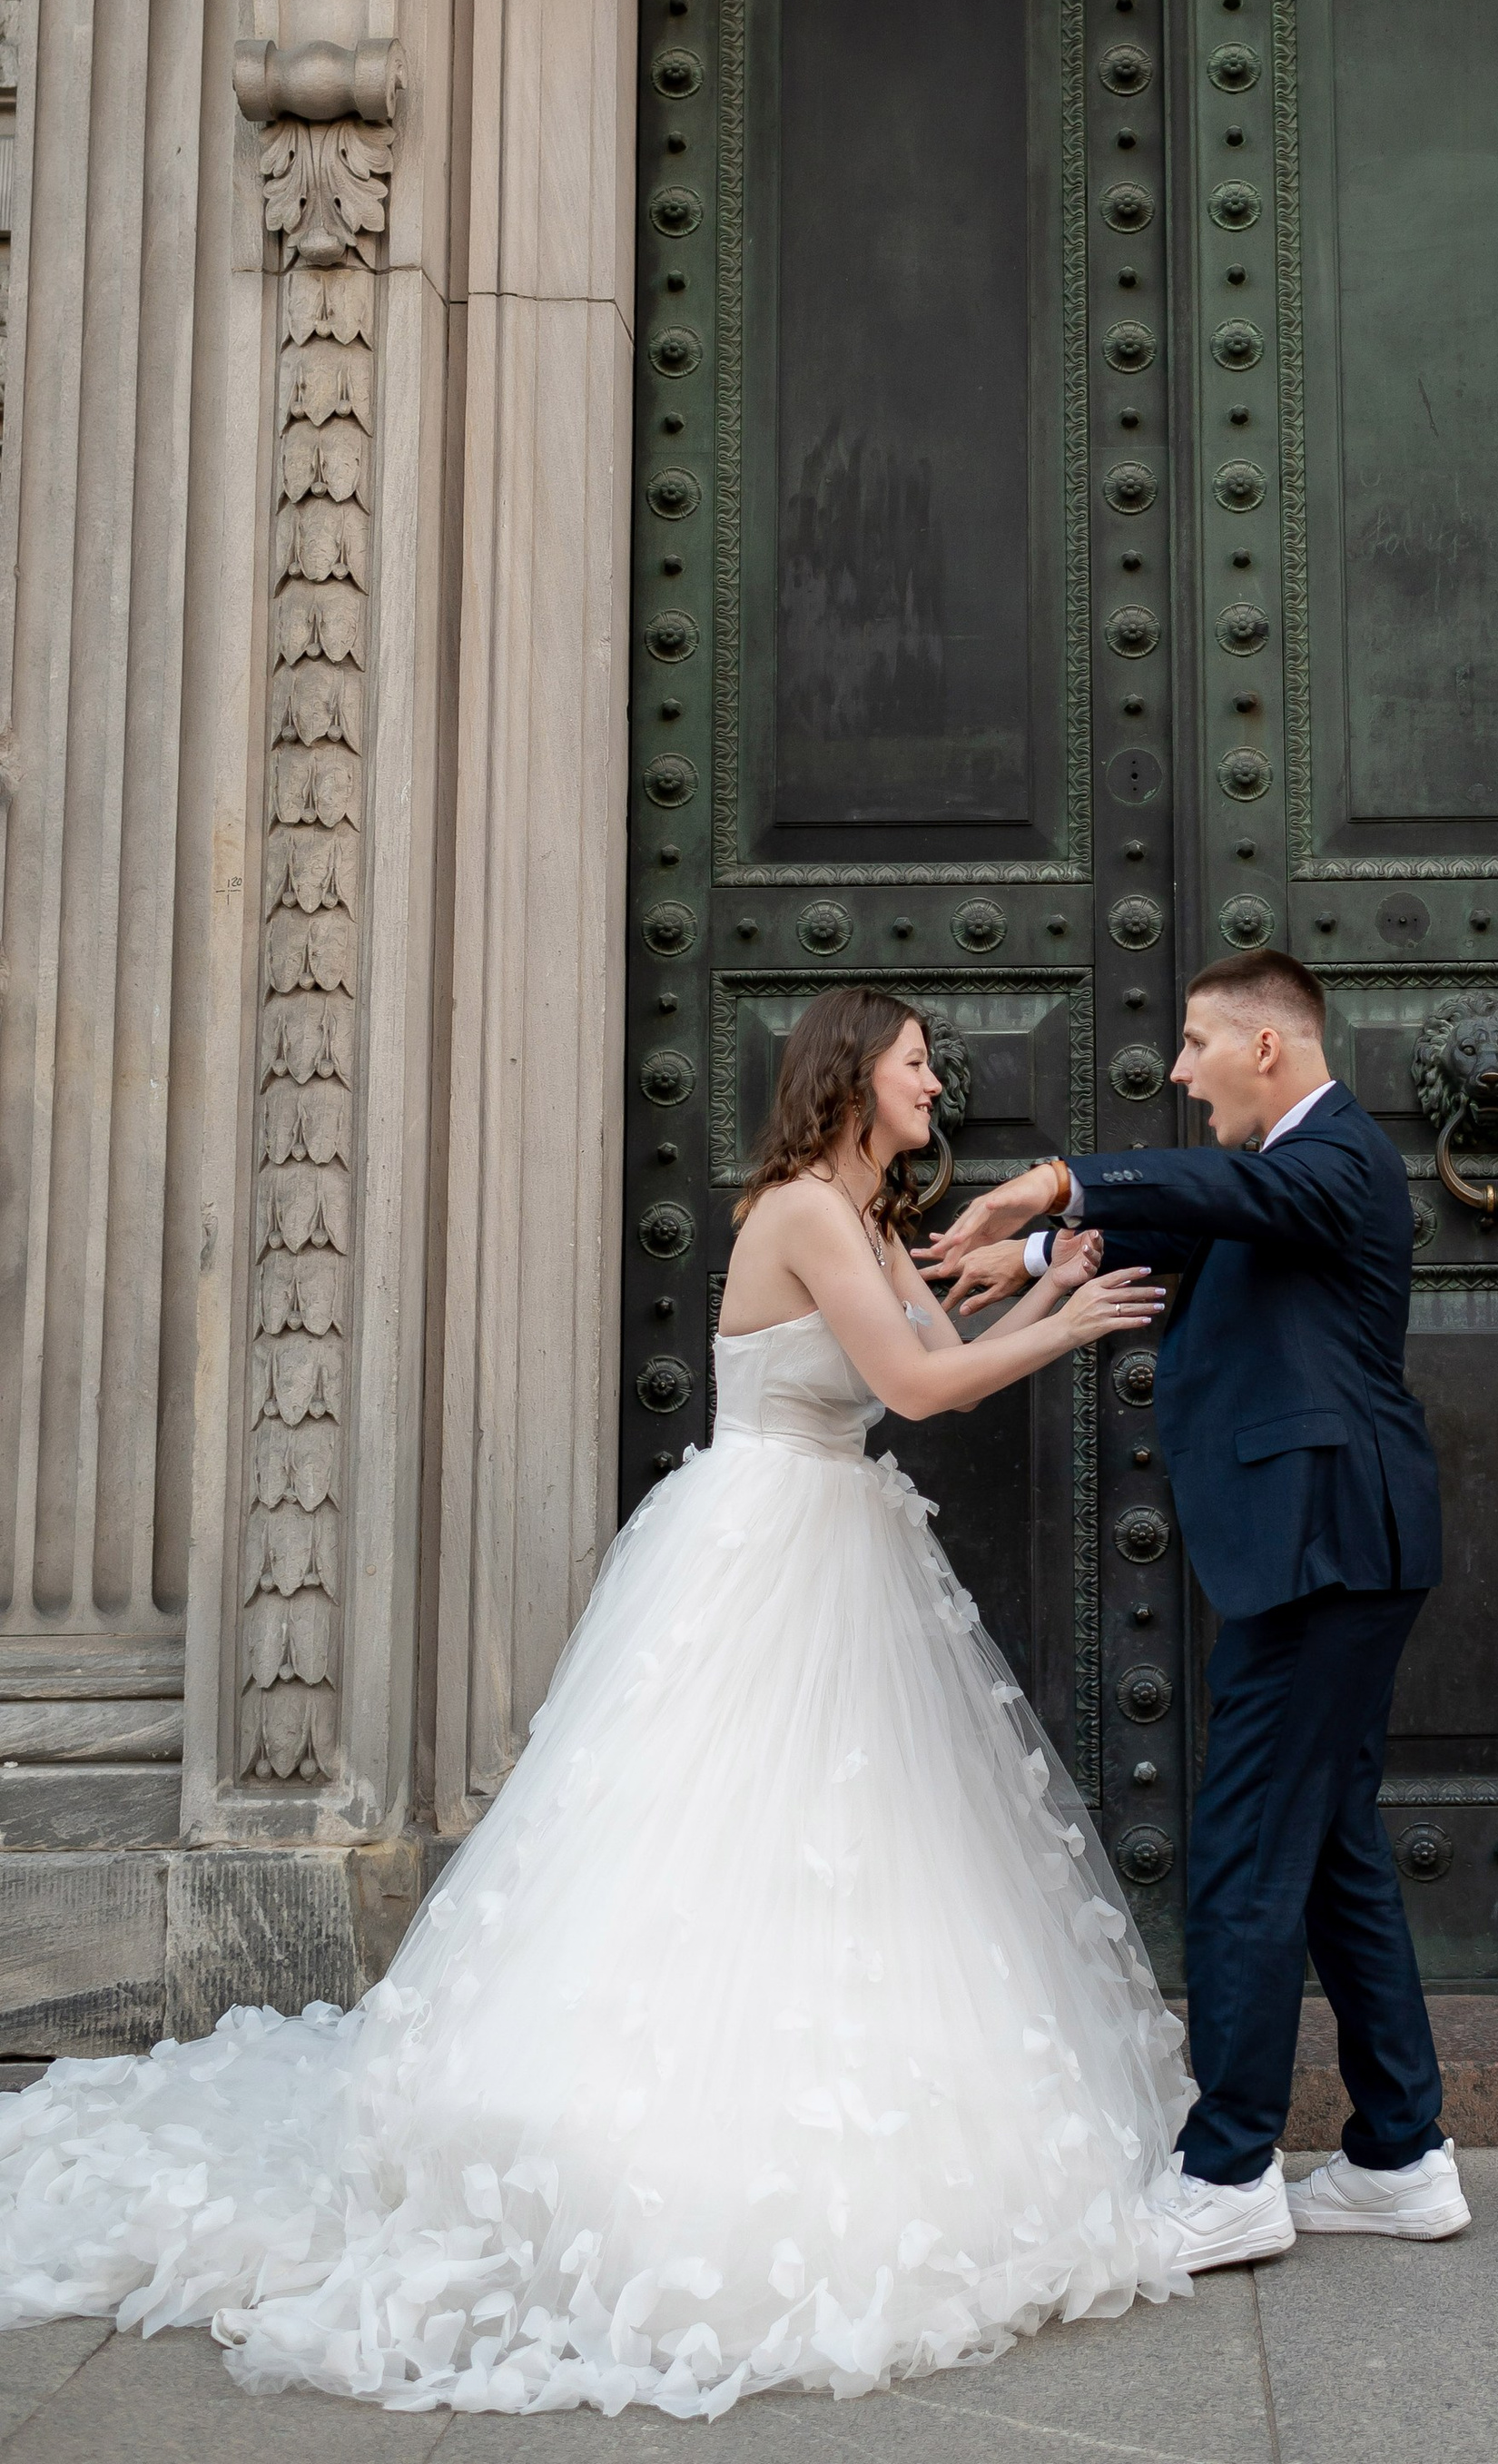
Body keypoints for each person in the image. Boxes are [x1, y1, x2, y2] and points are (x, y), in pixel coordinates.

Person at [0, 990, 1188, 2416]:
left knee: (838, 1843)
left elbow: (934, 1352)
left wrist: (1054, 1286)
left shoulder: (865, 1217)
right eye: (918, 1063)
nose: (940, 1083)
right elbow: (924, 1390)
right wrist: (1070, 1331)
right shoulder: (809, 1208)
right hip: (766, 1549)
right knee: (712, 1836)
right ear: (853, 1076)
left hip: (839, 1544)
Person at [925, 951, 1469, 2270]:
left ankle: (1226, 2172)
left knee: (1243, 1853)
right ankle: (1401, 2153)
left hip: (1325, 1548)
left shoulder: (1334, 1157)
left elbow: (1226, 1191)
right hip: (1327, 1546)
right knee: (1329, 1845)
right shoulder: (1285, 1174)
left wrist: (1054, 1177)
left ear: (1266, 1050)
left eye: (1193, 1046)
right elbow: (1189, 1222)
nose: (1177, 1073)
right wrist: (1047, 1249)